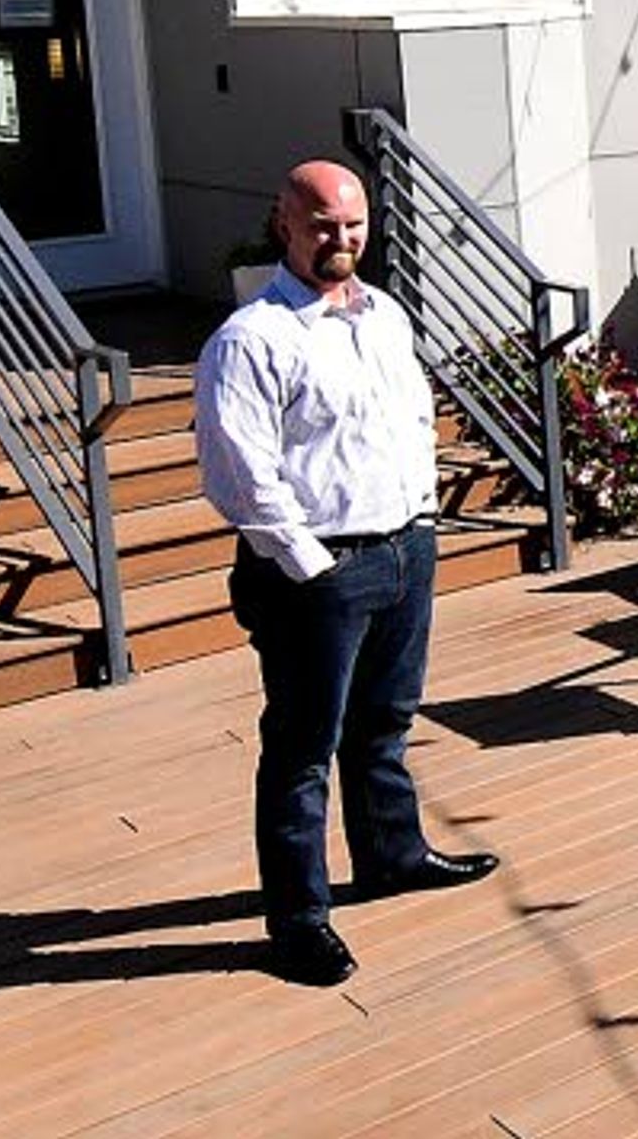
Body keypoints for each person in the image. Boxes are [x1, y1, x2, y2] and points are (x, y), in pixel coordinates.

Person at [194, 159, 498, 987]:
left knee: (386, 723)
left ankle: (393, 856)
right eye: (323, 223)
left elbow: (408, 424)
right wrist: (314, 569)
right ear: (282, 223)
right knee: (300, 751)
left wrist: (423, 523)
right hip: (316, 574)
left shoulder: (385, 314)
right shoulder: (251, 341)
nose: (342, 239)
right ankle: (297, 923)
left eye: (354, 223)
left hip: (404, 549)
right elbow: (239, 478)